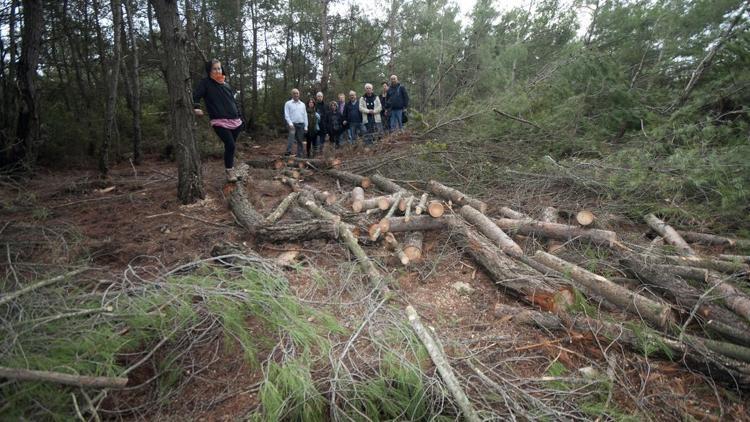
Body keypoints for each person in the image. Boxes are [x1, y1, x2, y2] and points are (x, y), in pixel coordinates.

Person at [192, 59, 244, 182]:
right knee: (230, 144)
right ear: (209, 70)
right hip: (219, 121)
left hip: (235, 121)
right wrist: (196, 107)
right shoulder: (205, 83)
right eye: (214, 68)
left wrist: (241, 118)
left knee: (231, 147)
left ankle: (231, 168)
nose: (217, 70)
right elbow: (196, 96)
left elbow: (233, 102)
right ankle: (230, 172)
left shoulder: (226, 84)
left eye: (219, 68)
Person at [283, 88, 308, 158]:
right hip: (292, 124)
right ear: (292, 94)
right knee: (291, 139)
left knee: (300, 140)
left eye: (297, 93)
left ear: (299, 94)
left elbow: (305, 115)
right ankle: (288, 152)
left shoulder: (302, 104)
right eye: (294, 93)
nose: (296, 95)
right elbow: (286, 115)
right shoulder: (288, 103)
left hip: (301, 124)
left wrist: (306, 126)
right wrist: (290, 124)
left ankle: (299, 154)